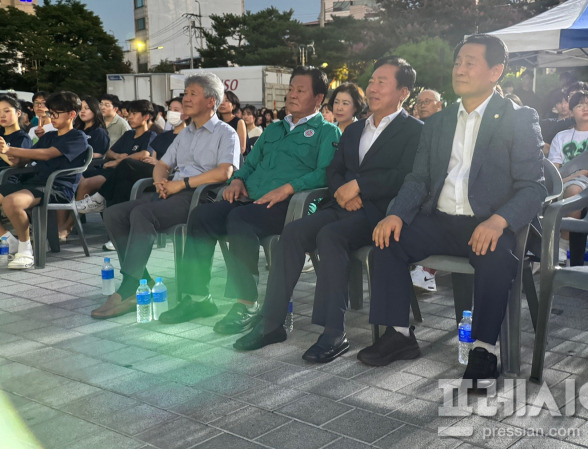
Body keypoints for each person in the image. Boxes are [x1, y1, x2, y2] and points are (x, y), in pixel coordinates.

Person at [358, 35, 545, 387]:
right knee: (387, 239)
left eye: (469, 62)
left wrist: (499, 220)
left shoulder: (518, 119)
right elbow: (418, 178)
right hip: (440, 220)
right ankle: (399, 334)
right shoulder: (439, 122)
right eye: (457, 62)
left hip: (488, 222)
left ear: (496, 71)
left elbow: (534, 186)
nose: (459, 69)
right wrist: (396, 213)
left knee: (496, 256)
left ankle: (484, 350)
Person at [234, 57, 423, 361]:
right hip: (341, 205)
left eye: (382, 83)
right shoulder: (354, 129)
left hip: (379, 213)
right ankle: (272, 322)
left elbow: (406, 174)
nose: (372, 88)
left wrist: (360, 186)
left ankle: (334, 332)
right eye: (372, 81)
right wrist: (342, 192)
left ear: (403, 92)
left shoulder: (414, 131)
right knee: (292, 234)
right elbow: (333, 171)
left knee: (331, 236)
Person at [158, 66, 341, 329]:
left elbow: (325, 173)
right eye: (291, 89)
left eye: (300, 90)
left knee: (240, 220)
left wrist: (289, 187)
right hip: (250, 199)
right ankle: (197, 298)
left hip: (288, 206)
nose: (292, 95)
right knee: (202, 216)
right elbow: (249, 163)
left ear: (318, 98)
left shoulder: (327, 132)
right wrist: (237, 180)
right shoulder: (275, 129)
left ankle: (246, 303)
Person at [90, 74, 241, 319]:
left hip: (199, 196)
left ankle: (129, 288)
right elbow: (163, 164)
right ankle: (141, 280)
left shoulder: (226, 133)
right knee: (114, 214)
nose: (186, 98)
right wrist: (161, 181)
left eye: (193, 94)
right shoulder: (185, 133)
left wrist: (182, 184)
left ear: (211, 100)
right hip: (172, 192)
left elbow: (225, 172)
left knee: (142, 214)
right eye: (186, 93)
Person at [0, 91, 89, 269]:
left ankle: (25, 251)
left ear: (72, 114)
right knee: (10, 199)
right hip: (36, 183)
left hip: (57, 187)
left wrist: (10, 149)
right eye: (51, 113)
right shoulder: (49, 136)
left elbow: (47, 154)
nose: (52, 117)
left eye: (56, 113)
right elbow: (26, 159)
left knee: (12, 202)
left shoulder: (77, 137)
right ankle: (9, 240)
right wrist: (12, 155)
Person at [548, 90, 588, 263]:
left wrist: (565, 181)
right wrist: (557, 181)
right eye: (579, 105)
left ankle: (563, 244)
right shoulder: (562, 137)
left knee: (574, 191)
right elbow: (554, 166)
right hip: (561, 180)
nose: (585, 108)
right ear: (571, 110)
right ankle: (539, 246)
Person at [74, 100, 157, 214]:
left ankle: (72, 222)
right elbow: (109, 152)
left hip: (123, 174)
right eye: (129, 113)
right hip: (111, 170)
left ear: (146, 117)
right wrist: (118, 156)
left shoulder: (150, 135)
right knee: (80, 176)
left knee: (87, 183)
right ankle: (76, 218)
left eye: (134, 114)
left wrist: (119, 161)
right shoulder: (128, 134)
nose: (130, 117)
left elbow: (144, 154)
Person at [57, 96, 110, 239]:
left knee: (78, 179)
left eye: (87, 108)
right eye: (81, 108)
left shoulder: (99, 132)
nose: (83, 111)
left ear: (95, 110)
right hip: (73, 166)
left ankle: (69, 224)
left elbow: (98, 154)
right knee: (60, 179)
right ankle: (60, 225)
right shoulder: (75, 129)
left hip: (91, 168)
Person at [409, 88, 444, 293]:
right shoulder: (416, 128)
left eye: (427, 101)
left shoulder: (446, 128)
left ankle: (427, 270)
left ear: (439, 105)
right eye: (419, 102)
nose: (422, 105)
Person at [0, 95, 32, 168]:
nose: (2, 115)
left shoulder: (22, 138)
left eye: (7, 111)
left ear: (18, 113)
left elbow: (16, 164)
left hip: (6, 178)